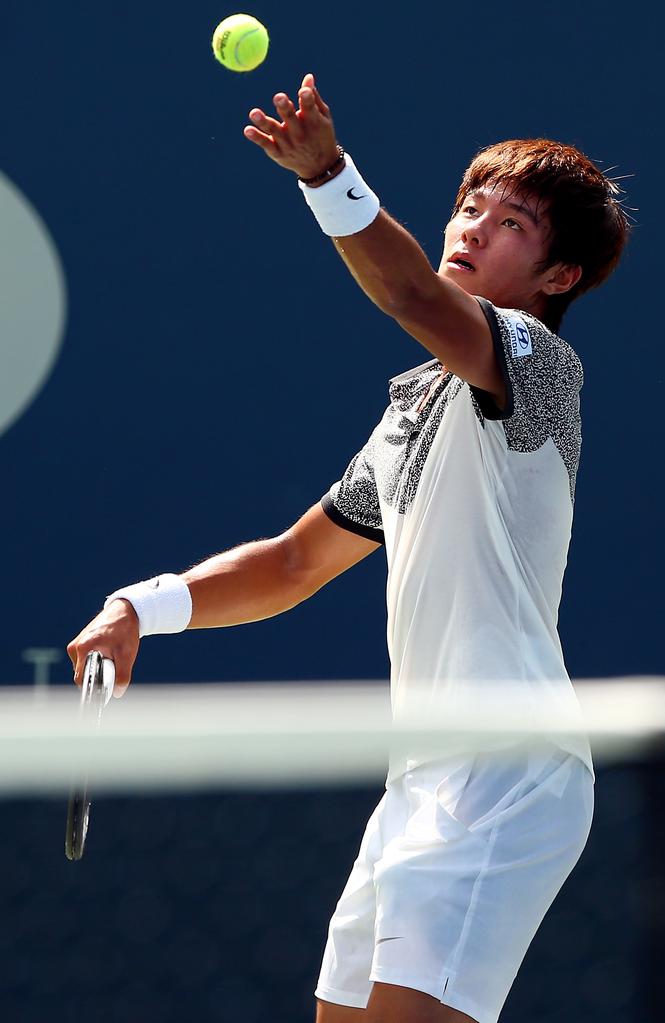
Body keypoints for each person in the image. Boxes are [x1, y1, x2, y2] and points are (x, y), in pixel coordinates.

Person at [67, 72, 631, 1023]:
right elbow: (292, 565)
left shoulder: (540, 366)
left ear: (556, 277)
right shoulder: (413, 410)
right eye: (469, 205)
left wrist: (327, 173)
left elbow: (408, 292)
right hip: (417, 778)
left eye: (513, 224)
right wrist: (142, 607)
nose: (474, 226)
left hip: (507, 773)